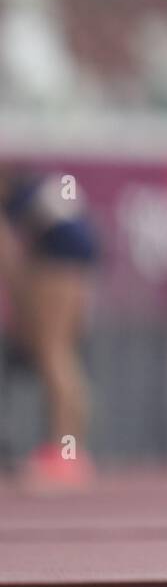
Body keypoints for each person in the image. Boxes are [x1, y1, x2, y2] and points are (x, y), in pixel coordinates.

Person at [0, 167, 99, 489]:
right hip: (76, 265)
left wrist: (21, 308)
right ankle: (70, 451)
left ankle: (65, 453)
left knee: (53, 355)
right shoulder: (42, 191)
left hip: (58, 267)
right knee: (62, 356)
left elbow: (11, 259)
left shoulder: (22, 201)